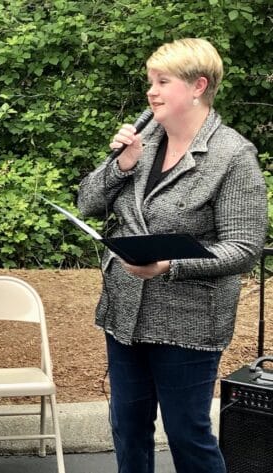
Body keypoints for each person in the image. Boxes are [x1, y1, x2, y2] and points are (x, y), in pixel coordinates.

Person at [77, 38, 268, 473]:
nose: (152, 92)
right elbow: (87, 201)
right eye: (150, 81)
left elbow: (243, 248)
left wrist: (171, 266)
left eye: (163, 81)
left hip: (190, 318)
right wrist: (121, 165)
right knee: (127, 426)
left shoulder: (232, 156)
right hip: (124, 313)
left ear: (198, 86)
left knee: (187, 432)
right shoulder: (143, 140)